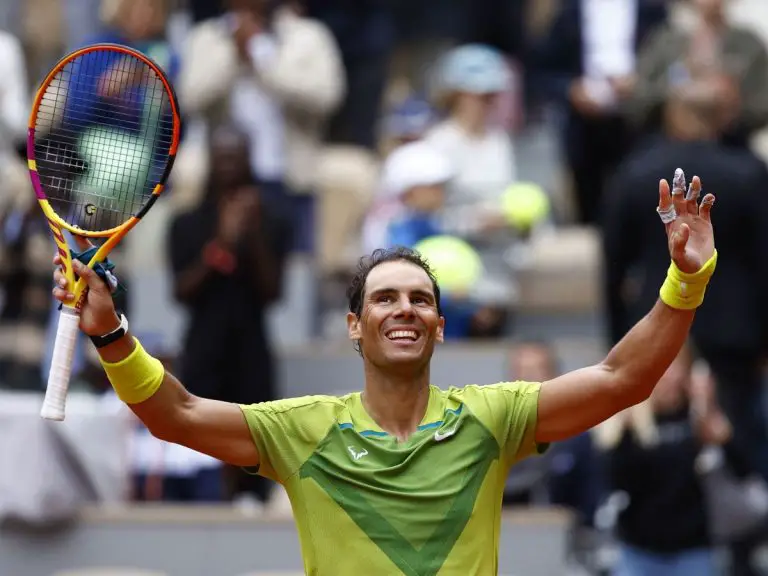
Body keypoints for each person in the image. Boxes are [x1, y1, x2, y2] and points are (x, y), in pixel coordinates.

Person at [51, 169, 717, 574]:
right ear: (354, 325)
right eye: (385, 298)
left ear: (439, 324)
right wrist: (110, 333)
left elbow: (620, 379)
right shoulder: (303, 431)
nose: (404, 309)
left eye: (421, 299)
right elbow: (179, 414)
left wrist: (686, 279)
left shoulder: (492, 418)